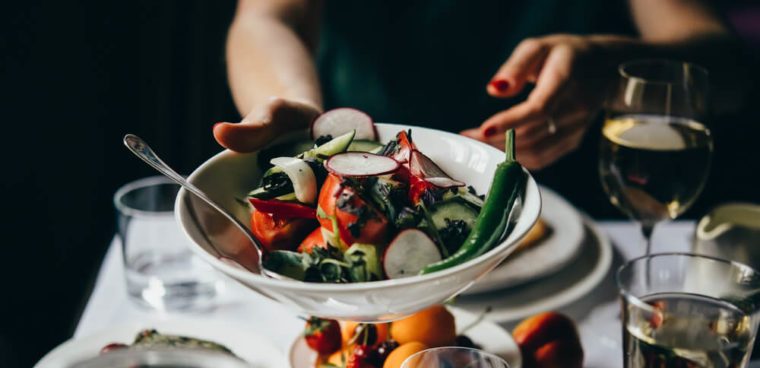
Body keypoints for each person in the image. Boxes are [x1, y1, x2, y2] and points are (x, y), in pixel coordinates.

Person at [213, 0, 750, 172]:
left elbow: (730, 71)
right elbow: (266, 18)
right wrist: (304, 111)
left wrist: (610, 68)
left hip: (573, 221)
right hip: (360, 181)